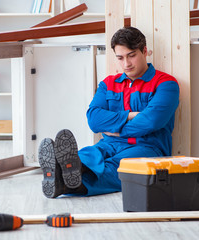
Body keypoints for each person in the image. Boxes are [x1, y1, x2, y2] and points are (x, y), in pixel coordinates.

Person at [38, 26, 180, 198]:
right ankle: (63, 172)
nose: (126, 64)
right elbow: (94, 119)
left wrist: (114, 129)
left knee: (116, 166)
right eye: (120, 58)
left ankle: (63, 183)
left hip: (148, 147)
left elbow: (151, 122)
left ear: (144, 51)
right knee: (88, 154)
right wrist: (129, 116)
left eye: (132, 55)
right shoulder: (108, 84)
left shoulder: (166, 84)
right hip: (109, 144)